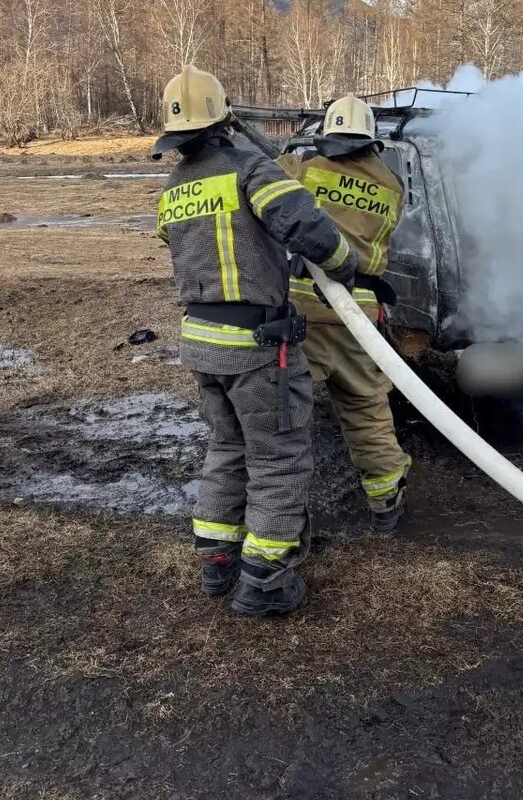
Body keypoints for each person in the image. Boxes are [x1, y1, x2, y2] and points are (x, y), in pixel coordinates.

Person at [153, 66, 356, 617]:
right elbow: (306, 225)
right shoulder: (250, 168)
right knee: (277, 457)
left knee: (227, 449)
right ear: (225, 120)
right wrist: (348, 265)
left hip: (200, 342)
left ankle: (216, 561)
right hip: (257, 345)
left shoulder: (174, 189)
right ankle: (265, 579)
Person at [279, 94, 410, 532]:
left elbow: (271, 185)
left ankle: (279, 513)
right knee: (367, 408)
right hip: (360, 315)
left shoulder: (309, 169)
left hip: (304, 311)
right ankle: (386, 503)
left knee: (285, 412)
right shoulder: (393, 185)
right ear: (372, 140)